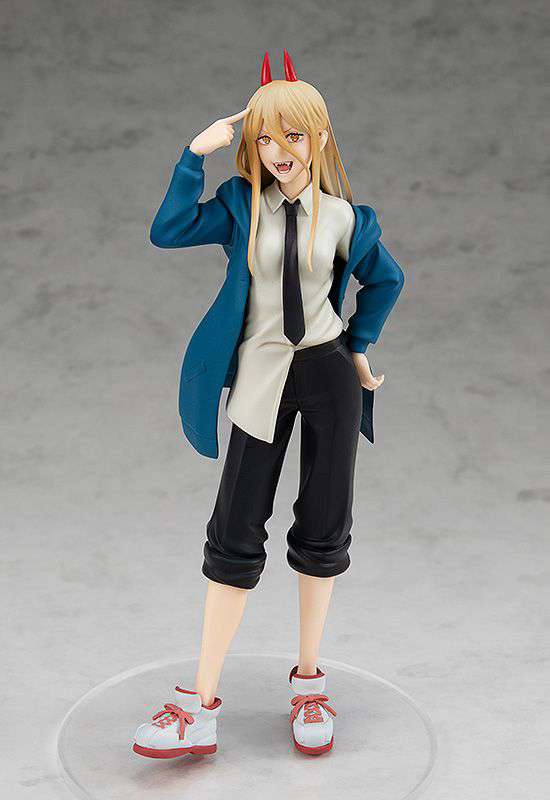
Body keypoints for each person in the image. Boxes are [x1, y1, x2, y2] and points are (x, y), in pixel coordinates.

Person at [132, 49, 404, 760]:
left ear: (321, 136)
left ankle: (310, 681)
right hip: (260, 374)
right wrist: (194, 154)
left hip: (328, 372)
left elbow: (386, 279)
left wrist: (360, 345)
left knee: (324, 523)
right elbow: (167, 230)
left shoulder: (346, 218)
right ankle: (200, 700)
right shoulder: (238, 205)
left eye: (294, 135)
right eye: (264, 137)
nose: (278, 151)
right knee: (234, 528)